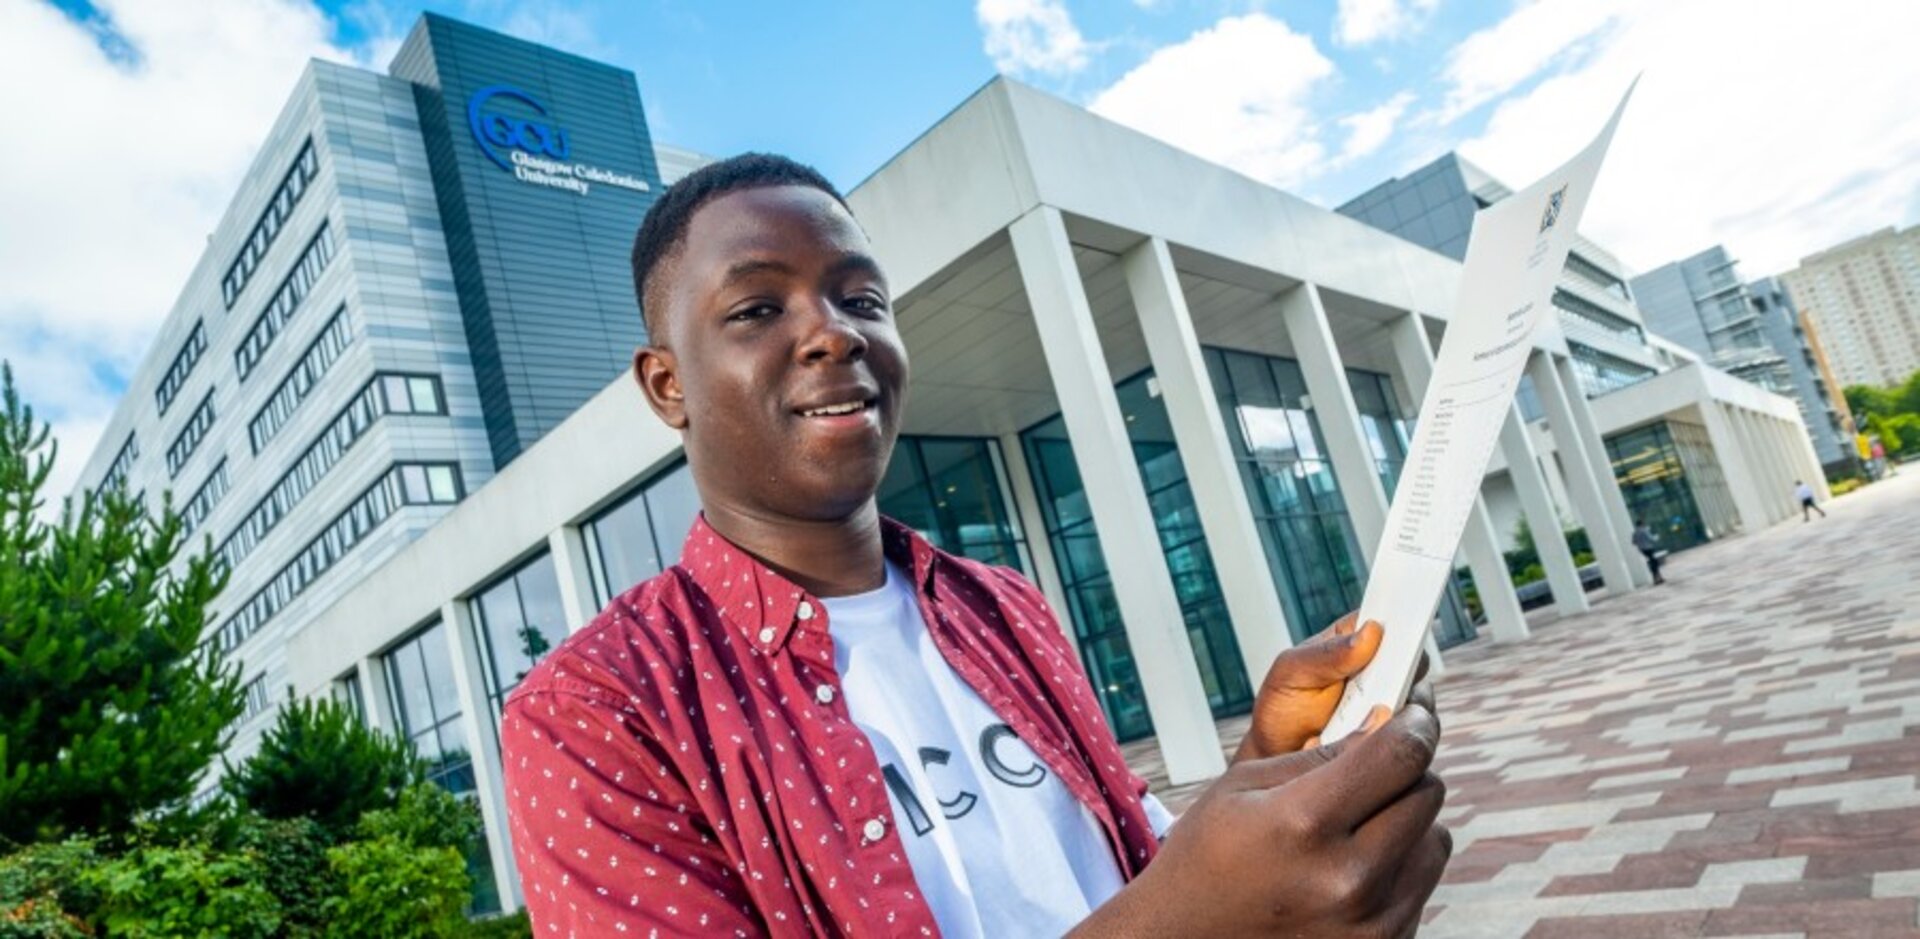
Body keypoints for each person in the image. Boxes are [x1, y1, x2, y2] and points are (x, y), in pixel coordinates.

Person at [498, 154, 1450, 937]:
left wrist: (1258, 774)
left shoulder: (1002, 604)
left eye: (862, 298)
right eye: (757, 309)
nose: (832, 333)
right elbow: (1172, 915)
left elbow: (1128, 870)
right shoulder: (595, 712)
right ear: (667, 385)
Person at [1631, 519, 1665, 585]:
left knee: (1653, 562)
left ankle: (1658, 578)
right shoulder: (1644, 530)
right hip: (1649, 548)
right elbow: (1651, 539)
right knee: (1654, 563)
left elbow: (1634, 542)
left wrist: (1640, 543)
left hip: (1642, 550)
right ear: (1641, 524)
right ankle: (1657, 578)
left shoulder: (1635, 533)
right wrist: (1656, 537)